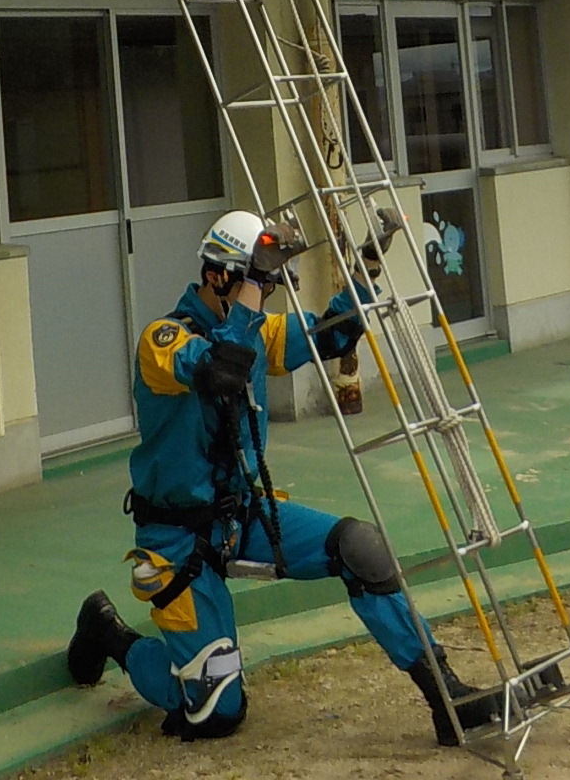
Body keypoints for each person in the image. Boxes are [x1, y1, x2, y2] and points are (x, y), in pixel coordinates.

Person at [65, 210, 502, 745]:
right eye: (261, 281)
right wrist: (255, 282)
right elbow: (221, 370)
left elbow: (332, 336)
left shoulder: (253, 328)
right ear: (220, 276)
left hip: (242, 517)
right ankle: (111, 634)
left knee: (359, 547)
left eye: (269, 283)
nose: (267, 295)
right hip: (177, 539)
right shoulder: (163, 340)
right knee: (216, 715)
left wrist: (365, 266)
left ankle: (447, 696)